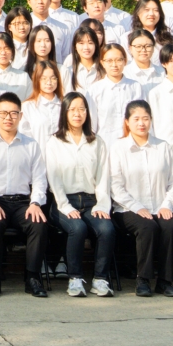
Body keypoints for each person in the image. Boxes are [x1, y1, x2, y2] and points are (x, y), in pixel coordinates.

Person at [0, 91, 50, 297]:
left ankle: (32, 278)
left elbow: (40, 179)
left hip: (23, 202)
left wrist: (36, 203)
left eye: (13, 113)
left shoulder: (31, 145)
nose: (8, 118)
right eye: (3, 113)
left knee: (38, 225)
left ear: (20, 116)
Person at [109, 102, 173, 298]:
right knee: (147, 227)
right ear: (127, 122)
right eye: (136, 119)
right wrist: (137, 207)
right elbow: (115, 186)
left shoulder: (162, 146)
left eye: (145, 119)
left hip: (160, 206)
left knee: (170, 227)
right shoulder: (118, 148)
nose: (141, 123)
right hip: (128, 209)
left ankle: (165, 281)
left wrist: (167, 205)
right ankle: (143, 279)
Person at [46, 92, 114, 297]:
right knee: (77, 228)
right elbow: (54, 179)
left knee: (106, 229)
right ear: (65, 112)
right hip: (64, 201)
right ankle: (75, 279)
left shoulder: (97, 142)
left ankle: (100, 280)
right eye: (73, 109)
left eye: (82, 109)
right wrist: (65, 206)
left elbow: (103, 177)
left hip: (92, 201)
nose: (77, 114)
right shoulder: (55, 142)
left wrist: (102, 205)